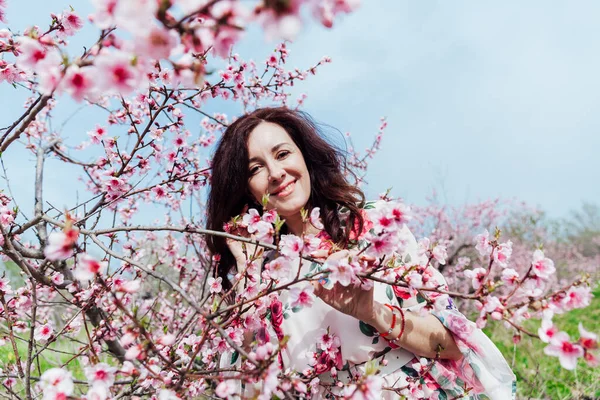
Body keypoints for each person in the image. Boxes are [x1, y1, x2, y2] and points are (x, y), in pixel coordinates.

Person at [206, 107, 516, 399]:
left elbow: (449, 345)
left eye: (283, 154)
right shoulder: (261, 278)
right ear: (246, 190)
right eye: (255, 169)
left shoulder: (374, 226)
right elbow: (243, 389)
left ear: (305, 158)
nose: (275, 173)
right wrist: (248, 277)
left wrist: (372, 314)